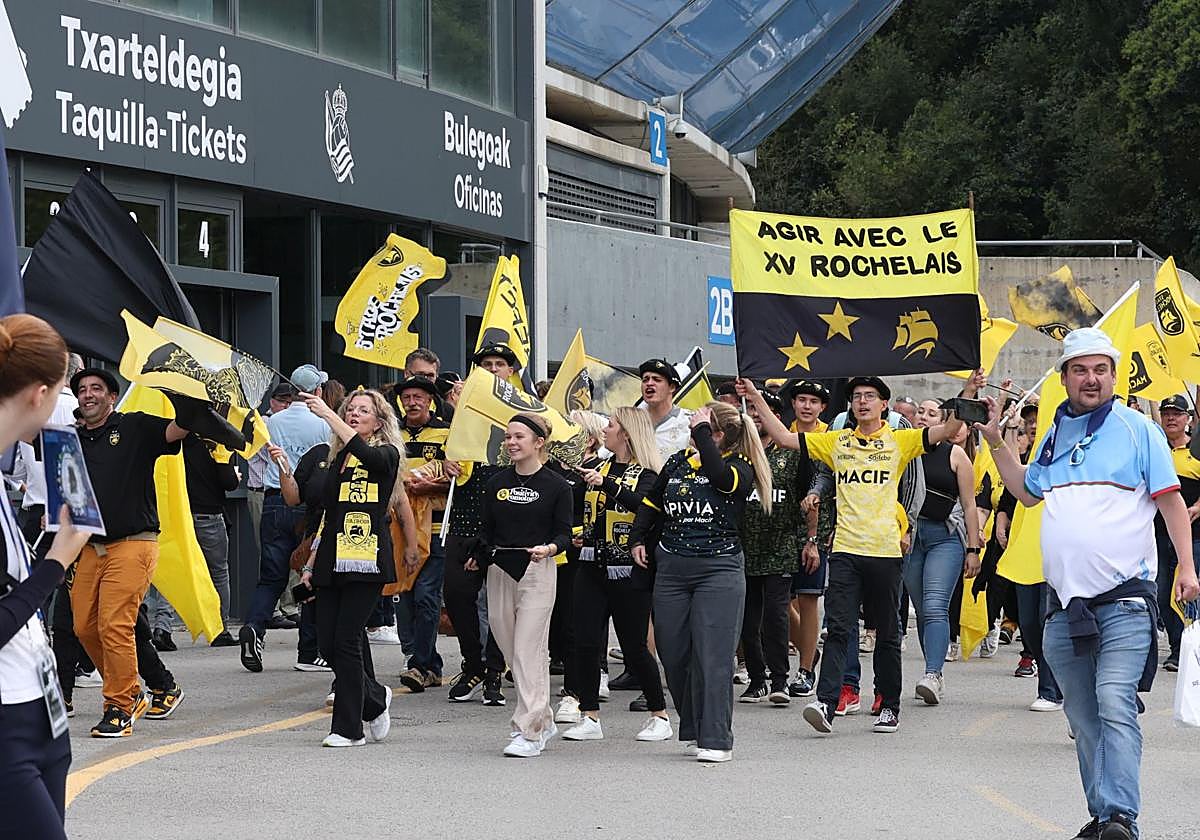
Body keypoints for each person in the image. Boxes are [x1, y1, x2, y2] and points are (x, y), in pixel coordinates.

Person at [979, 327, 1200, 840]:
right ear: (1064, 378)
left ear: (1114, 377)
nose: (1091, 378)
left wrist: (1187, 567)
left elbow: (1170, 501)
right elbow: (1028, 492)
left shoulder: (1137, 429)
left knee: (1114, 700)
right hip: (1065, 607)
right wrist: (994, 442)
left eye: (1101, 369)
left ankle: (1122, 815)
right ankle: (1104, 817)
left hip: (1125, 600)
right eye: (1081, 369)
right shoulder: (1056, 432)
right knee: (1081, 717)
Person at [740, 375, 963, 735]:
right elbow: (782, 437)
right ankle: (826, 702)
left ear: (883, 405)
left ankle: (889, 705)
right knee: (839, 629)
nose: (862, 402)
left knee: (888, 632)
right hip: (845, 549)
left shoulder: (900, 439)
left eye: (870, 396)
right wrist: (754, 396)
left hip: (886, 551)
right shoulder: (836, 441)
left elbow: (946, 430)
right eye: (857, 396)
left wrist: (968, 394)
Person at [629, 402, 773, 763]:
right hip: (672, 569)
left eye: (705, 429)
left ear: (718, 435)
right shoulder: (678, 463)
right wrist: (637, 538)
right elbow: (651, 502)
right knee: (673, 652)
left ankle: (717, 737)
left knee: (713, 656)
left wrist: (702, 430)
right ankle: (694, 726)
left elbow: (721, 478)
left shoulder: (740, 468)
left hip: (718, 570)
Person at [0, 314, 92, 840]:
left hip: (41, 710)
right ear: (39, 393)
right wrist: (55, 563)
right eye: (65, 391)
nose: (72, 408)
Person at [70, 366, 189, 737]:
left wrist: (187, 394)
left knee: (114, 625)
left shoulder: (134, 426)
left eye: (96, 388)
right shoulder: (71, 439)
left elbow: (177, 429)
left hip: (134, 542)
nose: (88, 394)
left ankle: (120, 704)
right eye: (82, 390)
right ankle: (132, 690)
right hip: (89, 545)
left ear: (111, 396)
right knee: (82, 627)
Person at [294, 389, 411, 747]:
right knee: (328, 645)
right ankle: (375, 700)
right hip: (331, 554)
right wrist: (311, 563)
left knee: (346, 639)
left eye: (364, 410)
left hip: (366, 556)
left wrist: (330, 415)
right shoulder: (339, 456)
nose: (355, 414)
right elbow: (328, 515)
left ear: (380, 420)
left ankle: (347, 728)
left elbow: (371, 458)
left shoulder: (386, 454)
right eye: (351, 410)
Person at [561, 408, 670, 742]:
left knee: (634, 646)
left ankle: (660, 714)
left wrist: (606, 485)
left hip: (629, 572)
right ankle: (589, 715)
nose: (605, 430)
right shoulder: (599, 466)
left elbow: (644, 506)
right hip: (591, 565)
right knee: (585, 642)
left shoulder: (649, 473)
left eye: (611, 425)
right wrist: (579, 533)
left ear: (626, 432)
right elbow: (581, 509)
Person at [474, 413, 573, 758]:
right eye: (507, 437)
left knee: (528, 648)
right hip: (501, 570)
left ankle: (527, 729)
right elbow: (485, 530)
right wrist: (479, 554)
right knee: (510, 648)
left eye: (518, 437)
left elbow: (564, 533)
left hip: (538, 569)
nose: (512, 443)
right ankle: (543, 717)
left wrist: (549, 549)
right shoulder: (494, 483)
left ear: (538, 443)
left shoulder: (558, 486)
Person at [239, 365, 331, 674]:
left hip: (274, 498)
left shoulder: (272, 421)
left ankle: (254, 625)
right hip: (309, 505)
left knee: (272, 576)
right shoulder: (323, 422)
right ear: (316, 391)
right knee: (311, 575)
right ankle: (309, 651)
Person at [441, 345, 516, 708]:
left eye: (499, 365)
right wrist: (448, 464)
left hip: (506, 523)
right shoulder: (463, 412)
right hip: (464, 518)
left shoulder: (520, 415)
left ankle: (494, 670)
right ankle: (472, 663)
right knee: (456, 594)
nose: (492, 370)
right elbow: (447, 456)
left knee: (501, 604)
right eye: (486, 365)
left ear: (511, 372)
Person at [902, 407, 982, 705]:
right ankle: (932, 669)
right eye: (920, 411)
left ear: (945, 422)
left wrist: (973, 549)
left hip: (944, 538)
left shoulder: (955, 455)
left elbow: (970, 505)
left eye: (932, 413)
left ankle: (933, 674)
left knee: (936, 605)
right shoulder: (905, 448)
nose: (923, 416)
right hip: (909, 538)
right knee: (923, 610)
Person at [738, 389, 805, 706]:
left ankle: (780, 679)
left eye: (759, 411)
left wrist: (810, 541)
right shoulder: (737, 455)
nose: (753, 415)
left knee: (775, 617)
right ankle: (756, 679)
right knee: (747, 620)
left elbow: (809, 499)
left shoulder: (790, 454)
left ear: (775, 417)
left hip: (780, 549)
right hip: (743, 551)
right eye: (749, 410)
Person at [394, 375, 451, 692]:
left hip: (436, 526)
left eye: (418, 396)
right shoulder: (392, 433)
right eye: (407, 397)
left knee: (427, 595)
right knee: (403, 598)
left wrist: (432, 484)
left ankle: (418, 663)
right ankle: (429, 664)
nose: (412, 402)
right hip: (399, 528)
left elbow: (460, 478)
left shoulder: (447, 433)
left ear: (430, 400)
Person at [779, 380, 833, 699]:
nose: (807, 406)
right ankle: (810, 652)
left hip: (817, 527)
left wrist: (819, 534)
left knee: (809, 597)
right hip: (781, 528)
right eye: (801, 400)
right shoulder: (783, 434)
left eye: (814, 401)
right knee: (778, 599)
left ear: (822, 407)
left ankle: (806, 668)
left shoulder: (828, 437)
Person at [1153, 394, 1200, 672]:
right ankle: (1176, 646)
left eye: (1177, 413)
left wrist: (1197, 506)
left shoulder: (1197, 451)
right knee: (1160, 593)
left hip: (1192, 536)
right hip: (1158, 534)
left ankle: (1185, 648)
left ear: (1188, 419)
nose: (1171, 418)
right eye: (1166, 413)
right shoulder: (1155, 449)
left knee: (1184, 591)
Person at [638, 358, 692, 460]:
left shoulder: (689, 422)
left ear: (671, 387)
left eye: (657, 379)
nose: (649, 383)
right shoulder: (631, 422)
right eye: (645, 380)